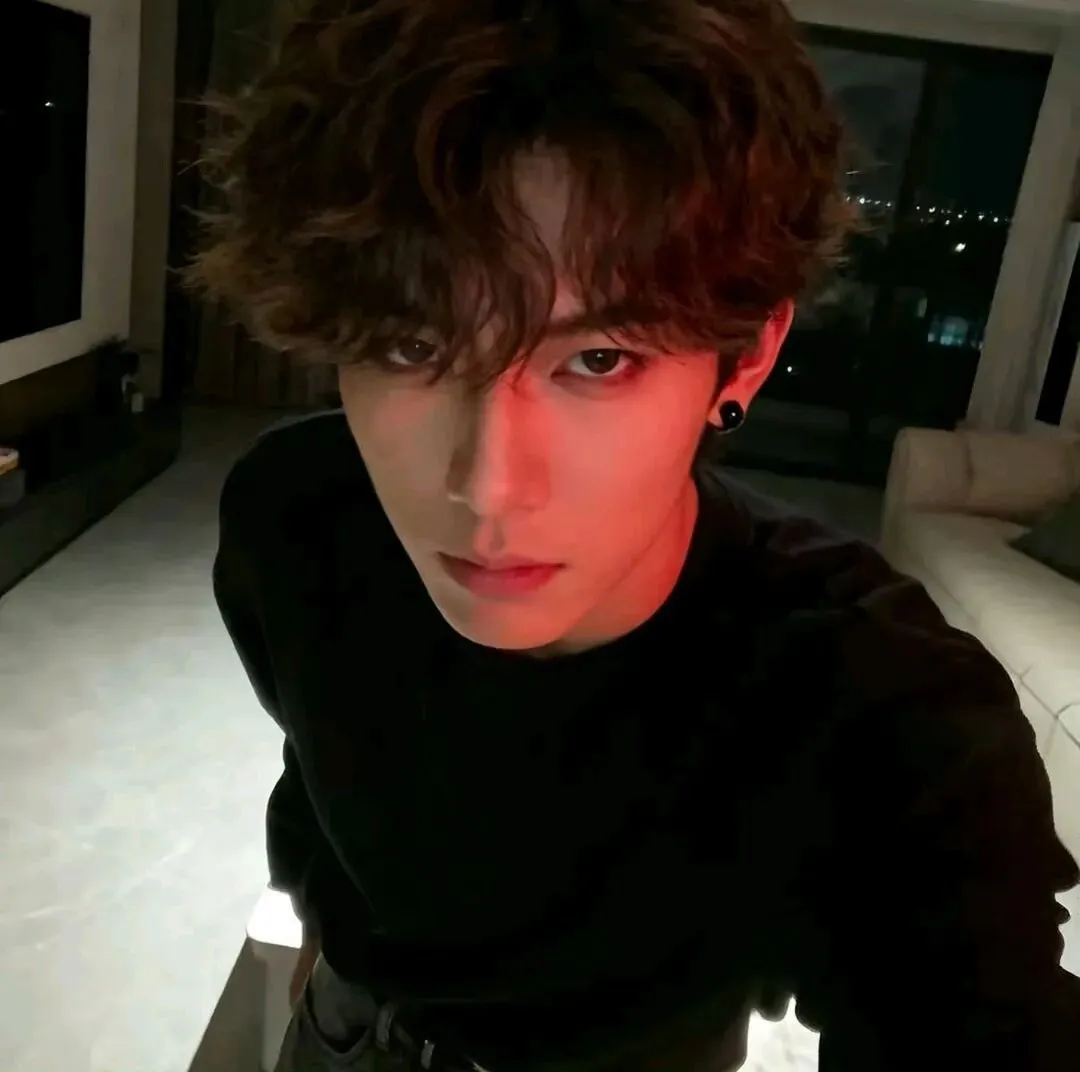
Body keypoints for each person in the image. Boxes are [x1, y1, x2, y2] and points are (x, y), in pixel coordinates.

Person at [185, 1, 1080, 1069]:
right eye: (413, 345)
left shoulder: (879, 705)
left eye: (598, 360)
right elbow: (325, 771)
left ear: (746, 358)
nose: (489, 486)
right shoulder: (294, 514)